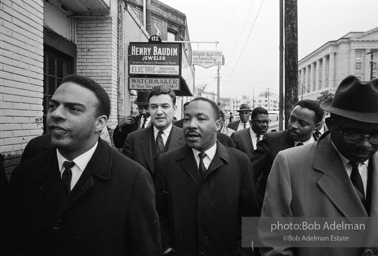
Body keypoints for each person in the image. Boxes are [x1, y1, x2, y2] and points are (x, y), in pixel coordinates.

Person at [10, 74, 161, 255]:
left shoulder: (132, 179)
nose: (56, 114)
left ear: (100, 123)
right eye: (53, 105)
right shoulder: (25, 174)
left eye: (74, 109)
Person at [259, 75, 378, 255]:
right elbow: (275, 244)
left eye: (377, 136)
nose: (366, 144)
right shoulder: (291, 165)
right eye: (353, 133)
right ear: (329, 125)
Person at [155, 97, 259, 255]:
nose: (191, 125)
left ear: (218, 125)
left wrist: (243, 252)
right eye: (187, 119)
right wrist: (168, 249)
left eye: (201, 119)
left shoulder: (239, 162)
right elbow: (158, 215)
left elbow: (250, 216)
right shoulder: (166, 163)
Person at [252, 99, 323, 211]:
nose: (294, 125)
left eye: (302, 123)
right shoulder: (271, 141)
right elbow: (251, 175)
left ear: (317, 126)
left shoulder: (323, 149)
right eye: (292, 119)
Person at [122, 86, 185, 179]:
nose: (159, 112)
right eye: (154, 107)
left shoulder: (185, 138)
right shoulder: (133, 140)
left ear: (174, 109)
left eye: (165, 106)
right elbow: (125, 176)